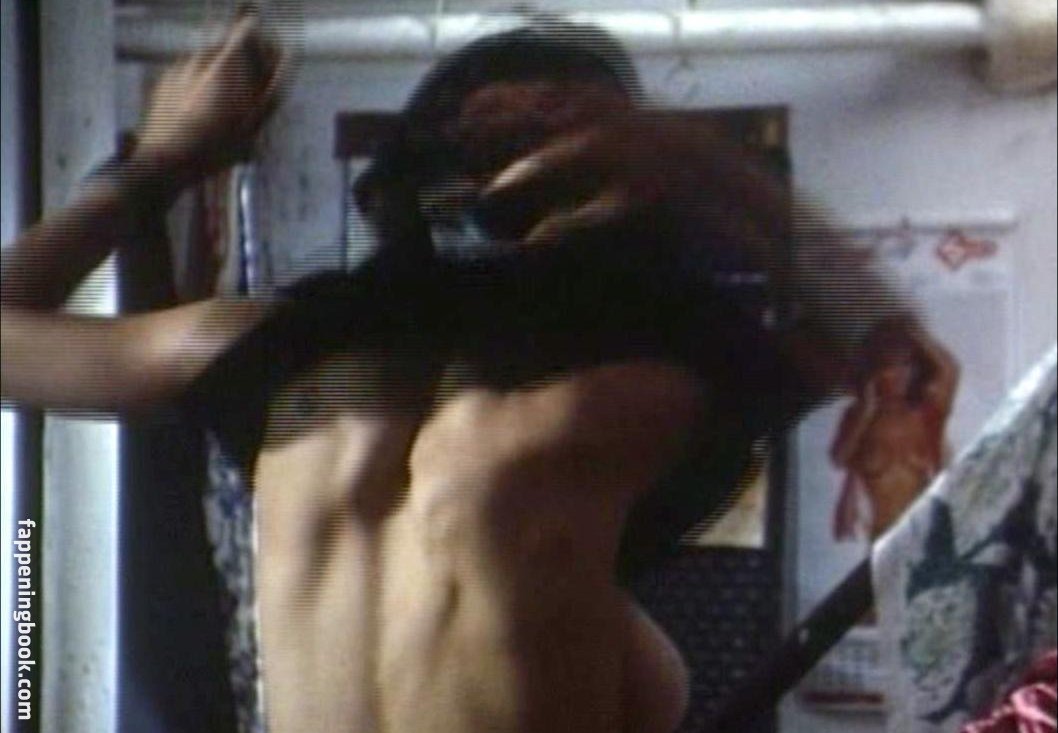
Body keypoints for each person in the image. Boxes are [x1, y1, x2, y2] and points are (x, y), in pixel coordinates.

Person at [2, 13, 910, 733]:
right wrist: (678, 154)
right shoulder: (630, 387)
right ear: (617, 202)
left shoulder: (274, 354)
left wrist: (156, 168)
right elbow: (885, 348)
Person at [830, 322, 960, 541]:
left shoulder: (925, 413)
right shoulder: (858, 417)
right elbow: (839, 459)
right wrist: (866, 412)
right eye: (892, 366)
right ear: (874, 373)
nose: (901, 375)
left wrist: (914, 331)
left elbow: (951, 371)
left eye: (908, 365)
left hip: (926, 533)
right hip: (882, 538)